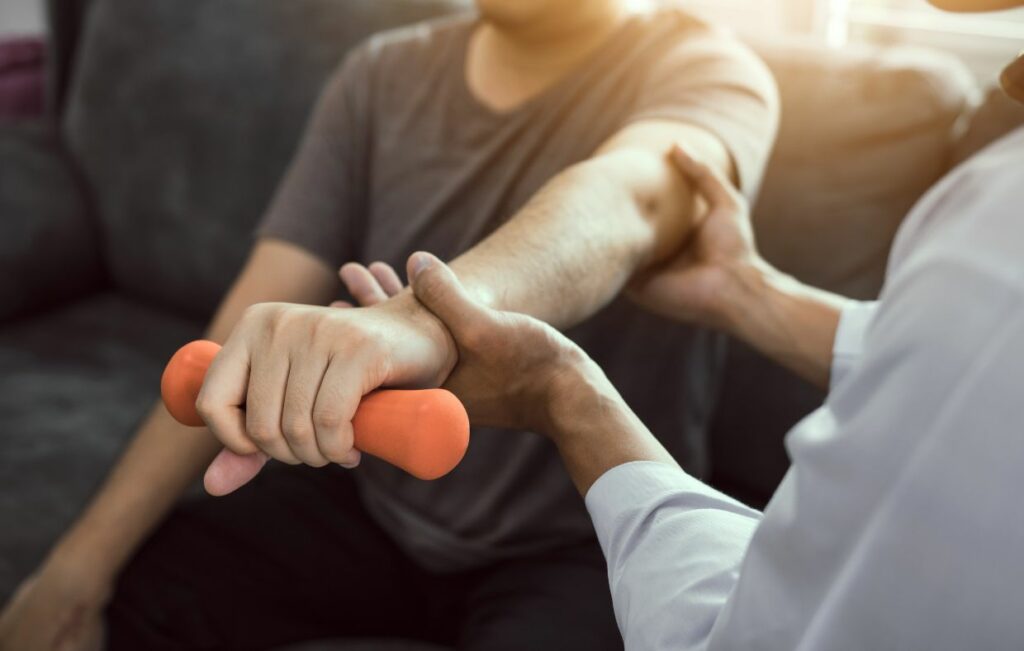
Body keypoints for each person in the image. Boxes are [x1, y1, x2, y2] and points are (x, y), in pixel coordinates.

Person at [0, 1, 777, 649]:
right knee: (137, 606)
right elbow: (240, 328)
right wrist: (77, 568)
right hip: (368, 507)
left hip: (577, 548)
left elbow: (630, 202)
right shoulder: (381, 74)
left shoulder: (709, 72)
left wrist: (422, 323)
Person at [351, 4, 1024, 647]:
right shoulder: (989, 239)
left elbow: (760, 633)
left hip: (571, 553)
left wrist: (560, 390)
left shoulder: (998, 223)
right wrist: (749, 293)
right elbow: (949, 364)